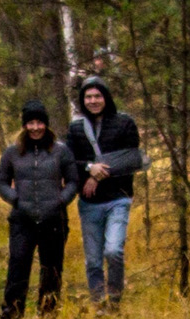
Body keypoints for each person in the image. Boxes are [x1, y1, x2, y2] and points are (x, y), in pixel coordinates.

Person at [0, 101, 79, 319]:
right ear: (24, 125)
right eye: (30, 123)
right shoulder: (12, 153)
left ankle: (47, 316)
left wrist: (61, 201)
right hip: (22, 220)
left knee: (51, 269)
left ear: (46, 124)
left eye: (39, 122)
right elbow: (1, 182)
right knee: (18, 266)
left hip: (54, 220)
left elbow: (73, 181)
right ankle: (11, 316)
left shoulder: (61, 151)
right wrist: (15, 199)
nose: (35, 127)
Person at [66, 76, 145, 305]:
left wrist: (98, 176)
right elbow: (70, 162)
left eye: (97, 96)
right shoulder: (76, 128)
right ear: (83, 100)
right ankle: (99, 303)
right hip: (89, 203)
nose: (93, 101)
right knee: (93, 261)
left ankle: (115, 297)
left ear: (106, 97)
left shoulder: (124, 123)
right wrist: (90, 168)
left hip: (118, 198)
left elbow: (132, 159)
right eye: (88, 97)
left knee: (113, 251)